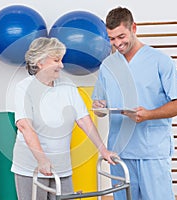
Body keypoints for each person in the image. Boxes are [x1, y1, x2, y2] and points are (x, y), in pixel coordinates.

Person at [92, 7, 177, 200]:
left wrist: (149, 114)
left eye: (121, 36)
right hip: (119, 153)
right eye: (112, 39)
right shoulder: (107, 66)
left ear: (134, 28)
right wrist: (99, 107)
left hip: (151, 151)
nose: (117, 43)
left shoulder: (160, 61)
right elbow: (99, 107)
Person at [11, 37, 118, 200]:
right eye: (56, 60)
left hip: (62, 167)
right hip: (31, 166)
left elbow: (84, 120)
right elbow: (25, 126)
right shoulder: (24, 88)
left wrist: (103, 150)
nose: (61, 65)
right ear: (40, 62)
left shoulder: (68, 86)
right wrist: (42, 159)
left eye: (61, 59)